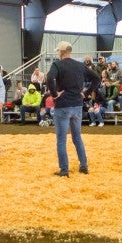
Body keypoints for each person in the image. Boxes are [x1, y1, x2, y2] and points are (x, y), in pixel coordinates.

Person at [46, 41, 101, 177]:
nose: (58, 53)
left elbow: (49, 78)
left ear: (62, 52)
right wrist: (86, 93)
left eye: (58, 51)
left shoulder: (57, 64)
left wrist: (54, 94)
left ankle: (64, 169)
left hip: (62, 105)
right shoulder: (80, 65)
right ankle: (83, 166)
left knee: (61, 139)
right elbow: (97, 78)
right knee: (77, 137)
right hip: (77, 104)